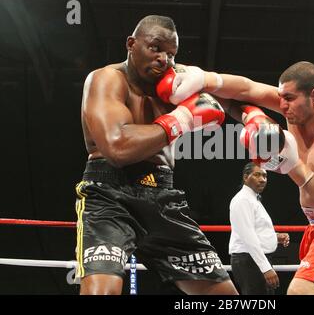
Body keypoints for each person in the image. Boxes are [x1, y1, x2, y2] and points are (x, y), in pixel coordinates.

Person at [157, 61, 314, 295]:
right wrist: (203, 79)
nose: (281, 105)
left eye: (289, 98)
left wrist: (293, 166)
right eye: (281, 97)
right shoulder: (295, 110)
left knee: (301, 292)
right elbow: (246, 89)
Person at [75, 15, 238, 295]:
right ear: (131, 44)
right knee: (102, 292)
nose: (164, 59)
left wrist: (260, 117)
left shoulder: (177, 82)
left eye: (171, 54)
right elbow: (117, 149)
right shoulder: (107, 79)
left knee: (224, 297)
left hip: (162, 195)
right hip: (109, 194)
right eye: (155, 48)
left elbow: (241, 91)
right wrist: (183, 118)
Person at [229, 162, 290, 295]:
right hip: (250, 261)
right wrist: (265, 268)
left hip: (254, 259)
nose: (262, 179)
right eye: (257, 175)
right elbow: (248, 237)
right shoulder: (243, 200)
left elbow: (256, 230)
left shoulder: (253, 199)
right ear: (246, 177)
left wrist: (275, 237)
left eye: (265, 176)